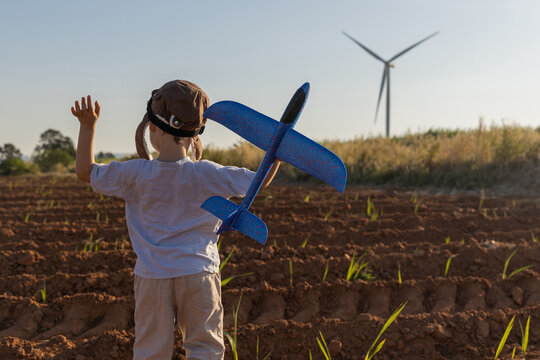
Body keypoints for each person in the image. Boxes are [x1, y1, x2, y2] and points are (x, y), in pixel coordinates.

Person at [71, 80, 280, 360]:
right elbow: (260, 180)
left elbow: (86, 172)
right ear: (195, 135)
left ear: (153, 129)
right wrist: (278, 150)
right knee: (205, 348)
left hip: (152, 276)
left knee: (150, 351)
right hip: (199, 273)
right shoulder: (207, 173)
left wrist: (88, 127)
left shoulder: (135, 174)